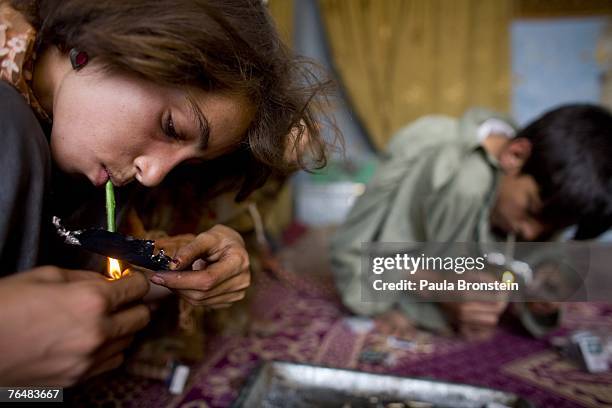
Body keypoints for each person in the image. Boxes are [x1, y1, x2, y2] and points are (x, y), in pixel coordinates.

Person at [0, 0, 330, 386]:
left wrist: (167, 264)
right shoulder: (12, 125)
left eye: (187, 162)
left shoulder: (84, 149)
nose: (153, 175)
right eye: (171, 127)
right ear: (115, 41)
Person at [331, 105, 612, 339]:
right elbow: (361, 256)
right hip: (388, 265)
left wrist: (541, 291)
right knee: (469, 182)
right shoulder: (449, 167)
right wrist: (440, 288)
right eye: (529, 211)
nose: (530, 231)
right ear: (515, 155)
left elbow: (537, 263)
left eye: (551, 228)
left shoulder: (548, 187)